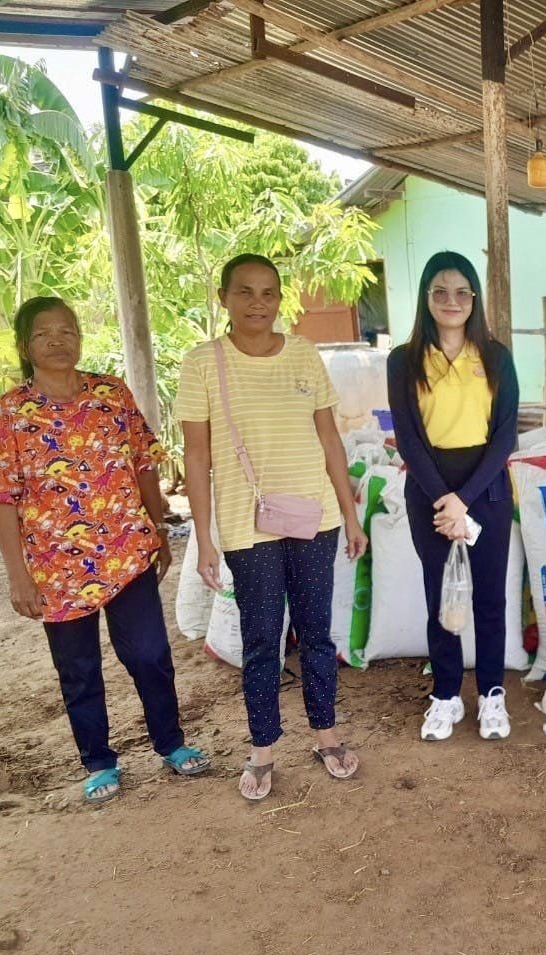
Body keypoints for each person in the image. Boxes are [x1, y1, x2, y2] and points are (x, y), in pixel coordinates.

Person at [0, 297, 209, 804]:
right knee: (79, 670)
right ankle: (100, 762)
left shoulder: (110, 393)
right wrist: (17, 575)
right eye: (44, 333)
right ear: (26, 345)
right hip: (54, 569)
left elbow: (144, 462)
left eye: (68, 330)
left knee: (151, 655)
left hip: (127, 552)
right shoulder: (8, 413)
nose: (58, 340)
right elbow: (3, 497)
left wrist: (157, 526)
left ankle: (171, 744)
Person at [177, 254, 365, 801]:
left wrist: (350, 514)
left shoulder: (304, 355)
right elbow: (195, 456)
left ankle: (325, 734)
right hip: (245, 525)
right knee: (261, 639)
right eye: (245, 292)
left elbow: (331, 440)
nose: (257, 303)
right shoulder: (202, 363)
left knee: (317, 632)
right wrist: (204, 539)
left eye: (268, 293)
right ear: (224, 298)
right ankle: (262, 748)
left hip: (315, 519)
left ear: (279, 300)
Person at [387, 251, 519, 742]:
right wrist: (444, 498)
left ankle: (490, 696)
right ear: (426, 298)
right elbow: (408, 437)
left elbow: (505, 436)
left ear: (474, 299)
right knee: (441, 597)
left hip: (484, 488)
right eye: (440, 291)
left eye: (462, 292)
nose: (452, 301)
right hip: (429, 490)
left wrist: (464, 499)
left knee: (488, 597)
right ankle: (445, 696)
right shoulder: (403, 360)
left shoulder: (495, 355)